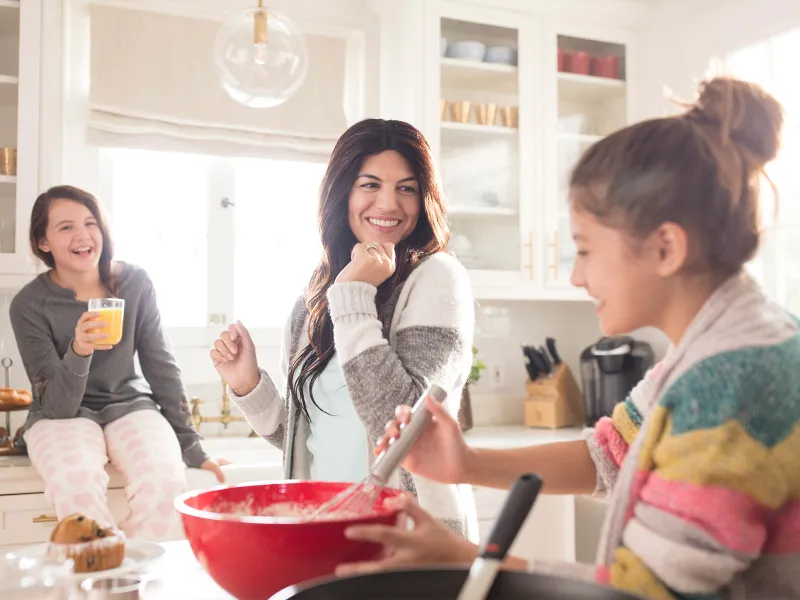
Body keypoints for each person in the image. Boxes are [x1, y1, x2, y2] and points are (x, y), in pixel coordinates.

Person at [338, 77, 800, 599]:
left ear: (665, 248)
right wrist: (466, 464)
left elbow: (646, 594)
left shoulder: (731, 381)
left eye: (583, 249)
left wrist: (465, 561)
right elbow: (610, 452)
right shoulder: (722, 343)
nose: (577, 276)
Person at [210, 118, 477, 539]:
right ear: (342, 192)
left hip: (409, 541)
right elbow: (306, 436)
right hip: (322, 532)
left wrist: (353, 296)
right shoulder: (314, 299)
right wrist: (248, 386)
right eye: (370, 184)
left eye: (406, 188)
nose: (389, 203)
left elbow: (405, 428)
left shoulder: (437, 278)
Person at [10, 185, 225, 541]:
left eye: (90, 223)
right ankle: (98, 584)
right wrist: (79, 350)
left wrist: (192, 447)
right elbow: (58, 407)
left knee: (165, 482)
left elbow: (160, 365)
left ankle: (131, 583)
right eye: (65, 227)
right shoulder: (29, 305)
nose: (82, 235)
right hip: (62, 415)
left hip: (130, 405)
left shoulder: (134, 283)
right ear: (43, 242)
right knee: (75, 482)